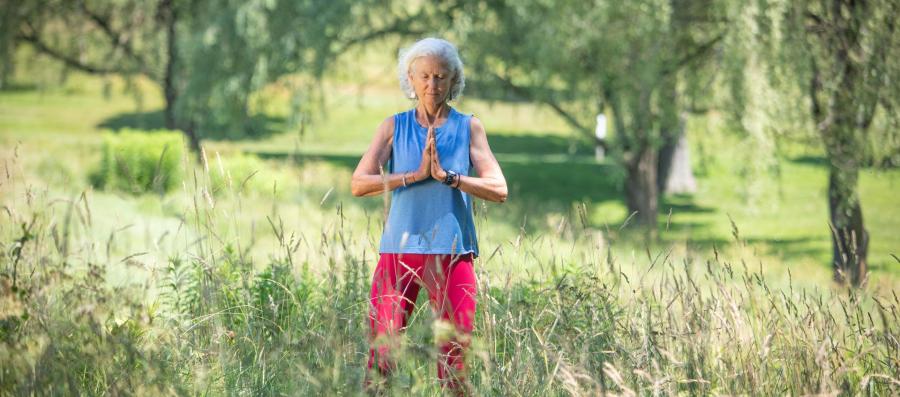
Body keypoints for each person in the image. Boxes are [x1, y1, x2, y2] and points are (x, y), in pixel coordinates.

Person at [351, 37, 508, 394]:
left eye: (440, 76)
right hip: (398, 252)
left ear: (454, 80)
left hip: (452, 254)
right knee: (382, 356)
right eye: (424, 76)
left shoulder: (469, 127)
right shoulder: (393, 127)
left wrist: (450, 178)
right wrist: (414, 176)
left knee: (454, 360)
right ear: (410, 78)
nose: (432, 84)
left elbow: (499, 188)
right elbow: (359, 183)